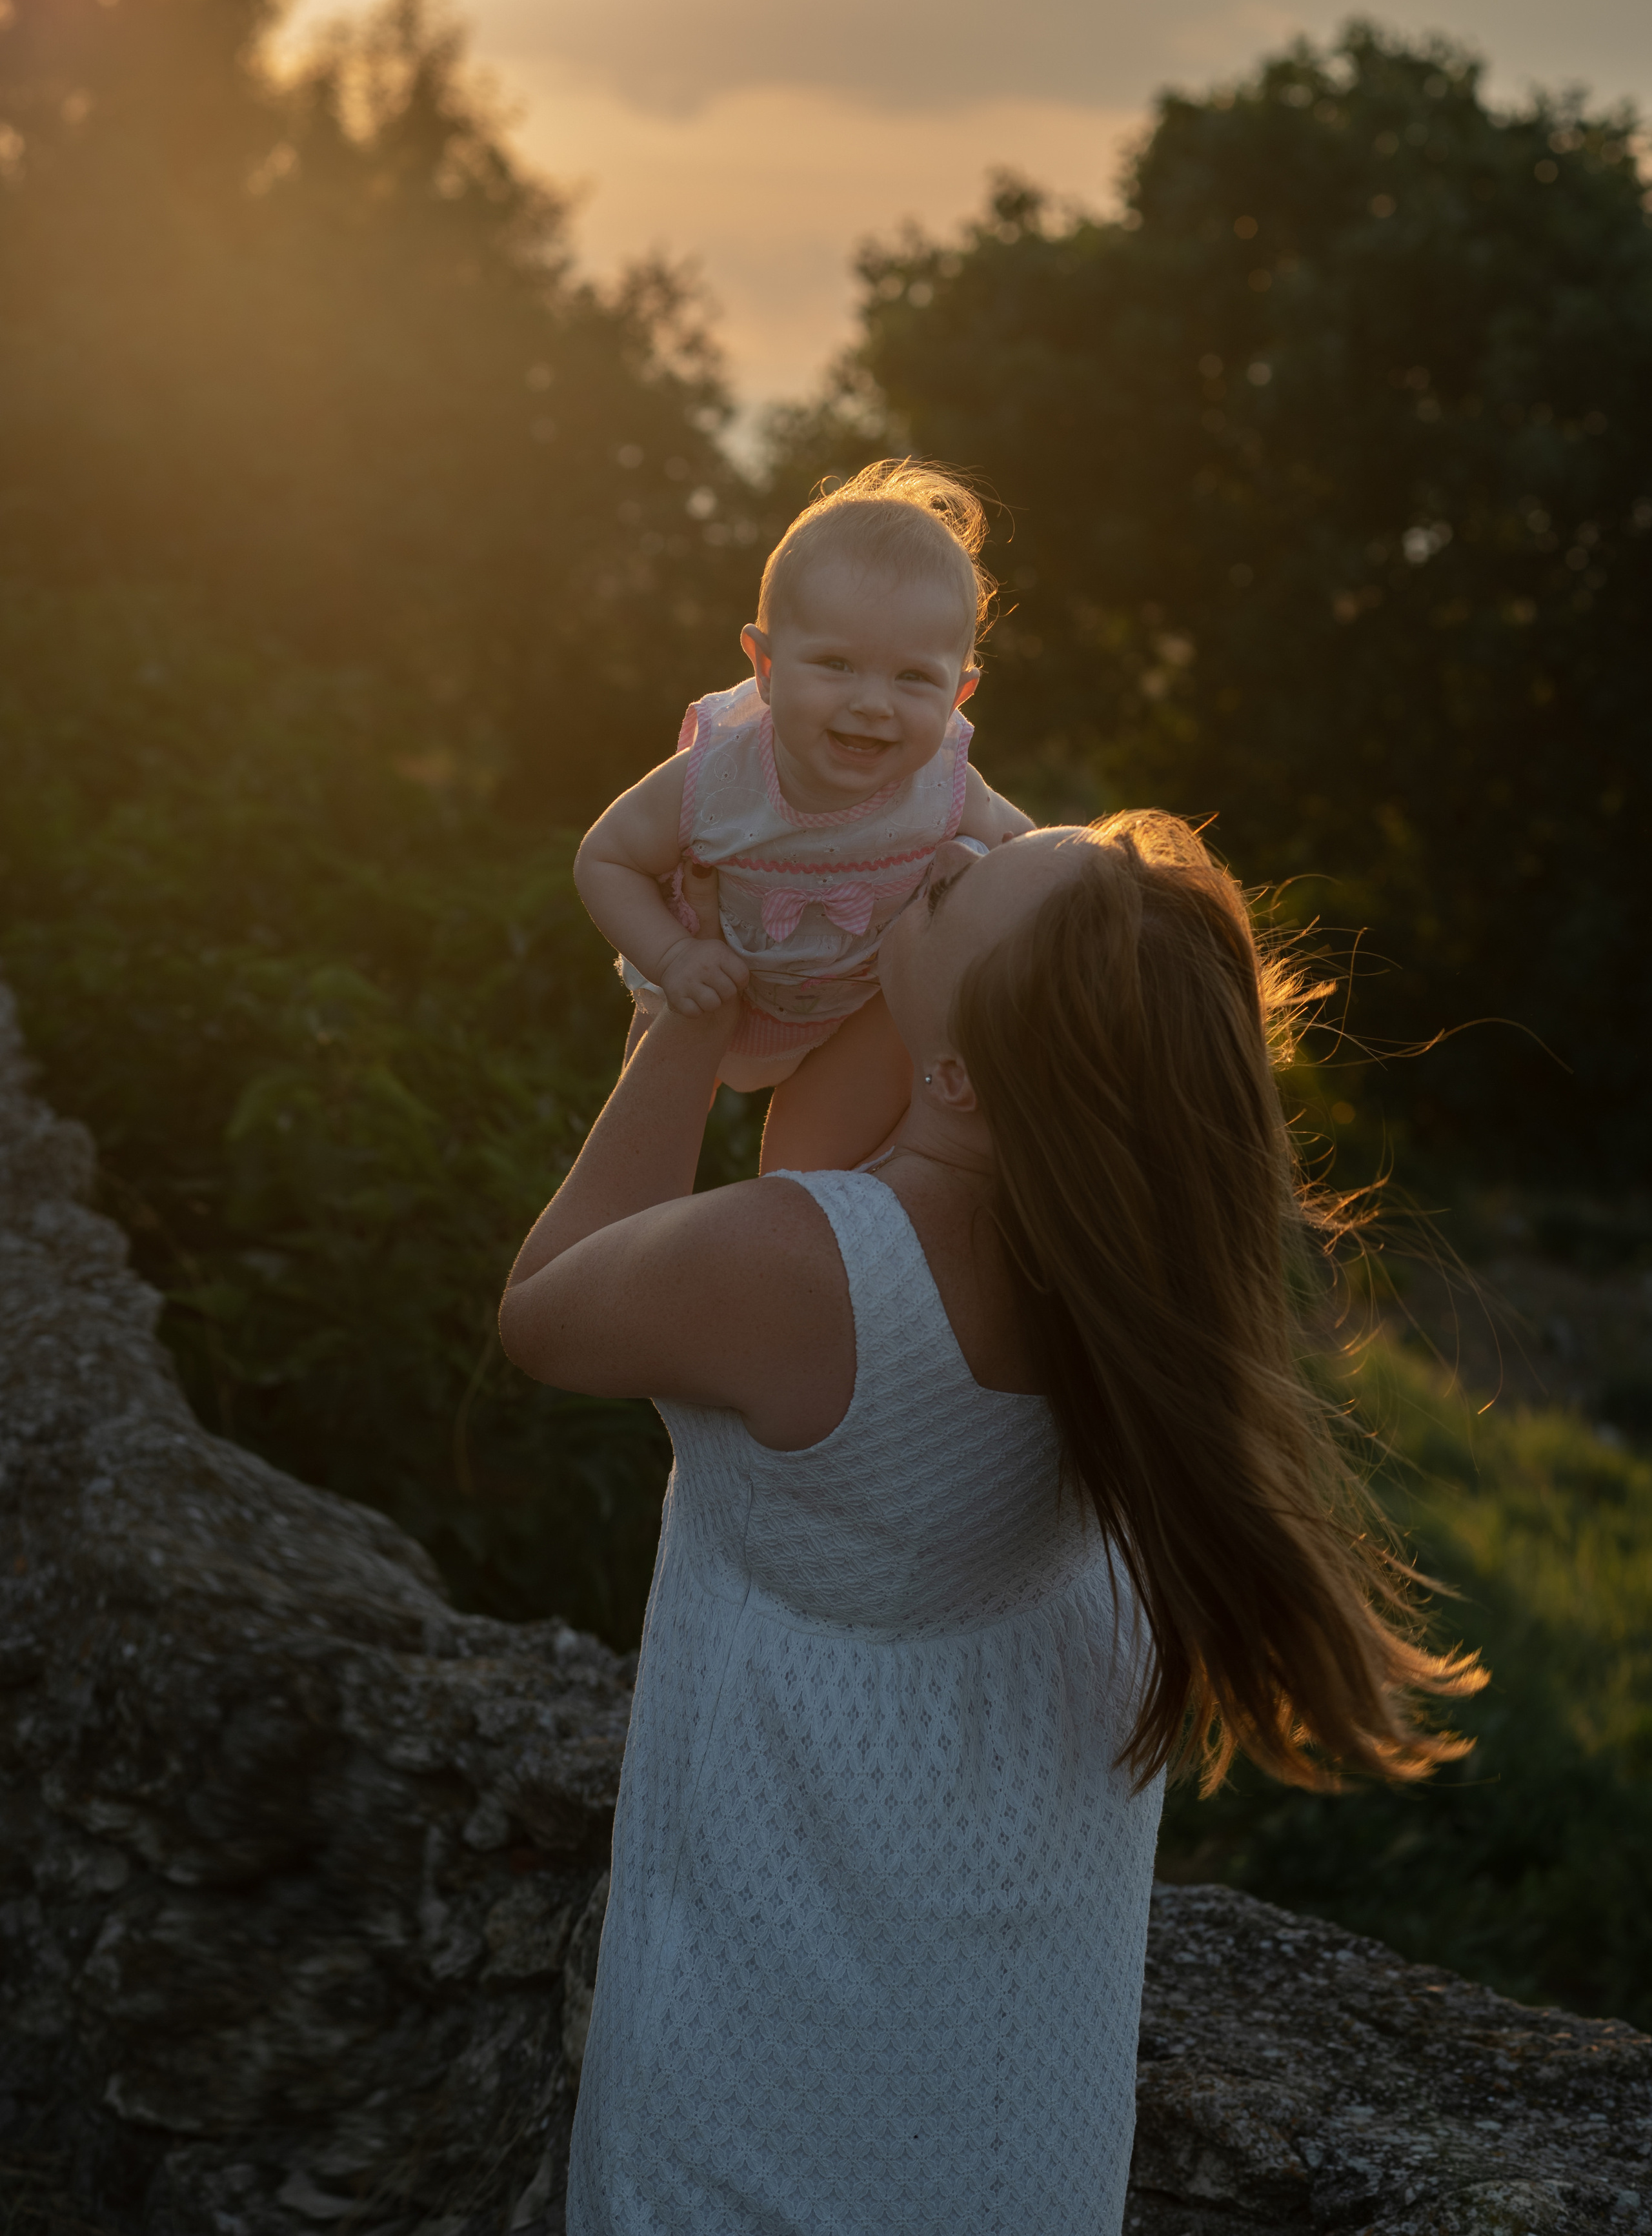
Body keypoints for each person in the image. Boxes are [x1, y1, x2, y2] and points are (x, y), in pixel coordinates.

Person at [500, 811, 1483, 2236]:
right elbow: (846, 1127)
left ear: (961, 1078)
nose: (946, 855)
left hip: (764, 2099)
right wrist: (915, 863)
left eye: (958, 879)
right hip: (1002, 2130)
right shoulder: (1128, 1293)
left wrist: (687, 1012)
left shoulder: (790, 1270)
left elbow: (546, 1307)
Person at [574, 459, 1030, 1173]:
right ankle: (633, 1229)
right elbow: (605, 858)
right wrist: (673, 956)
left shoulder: (943, 787)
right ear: (765, 667)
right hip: (697, 993)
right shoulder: (719, 776)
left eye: (913, 677)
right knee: (638, 1162)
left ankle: (790, 1216)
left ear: (958, 697)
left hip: (850, 1020)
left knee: (812, 1178)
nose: (873, 703)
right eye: (836, 664)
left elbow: (1026, 854)